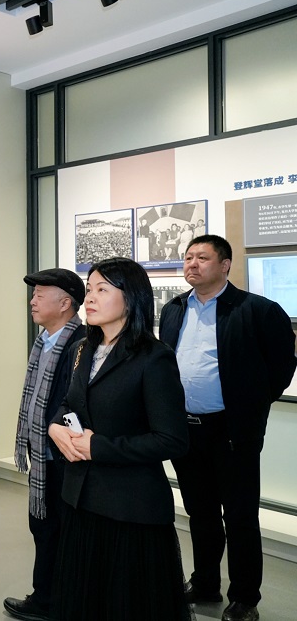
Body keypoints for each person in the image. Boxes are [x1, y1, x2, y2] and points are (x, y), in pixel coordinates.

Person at [159, 235, 296, 621]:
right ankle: (205, 582)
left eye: (202, 257)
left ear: (224, 265)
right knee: (199, 512)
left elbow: (282, 366)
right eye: (188, 257)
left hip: (232, 431)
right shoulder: (174, 309)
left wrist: (250, 405)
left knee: (239, 517)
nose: (192, 263)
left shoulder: (257, 310)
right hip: (187, 430)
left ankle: (244, 598)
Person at [48, 257, 190, 621]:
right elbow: (69, 403)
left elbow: (171, 439)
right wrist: (55, 427)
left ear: (131, 297)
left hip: (129, 508)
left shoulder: (153, 357)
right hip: (81, 500)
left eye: (102, 290)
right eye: (89, 289)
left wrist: (98, 447)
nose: (89, 298)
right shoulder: (83, 349)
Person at [4, 268, 86, 621]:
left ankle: (51, 601)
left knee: (60, 530)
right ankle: (49, 597)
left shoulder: (81, 344)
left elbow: (74, 404)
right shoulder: (45, 342)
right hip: (45, 454)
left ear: (65, 303)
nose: (32, 301)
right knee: (45, 527)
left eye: (40, 295)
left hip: (66, 456)